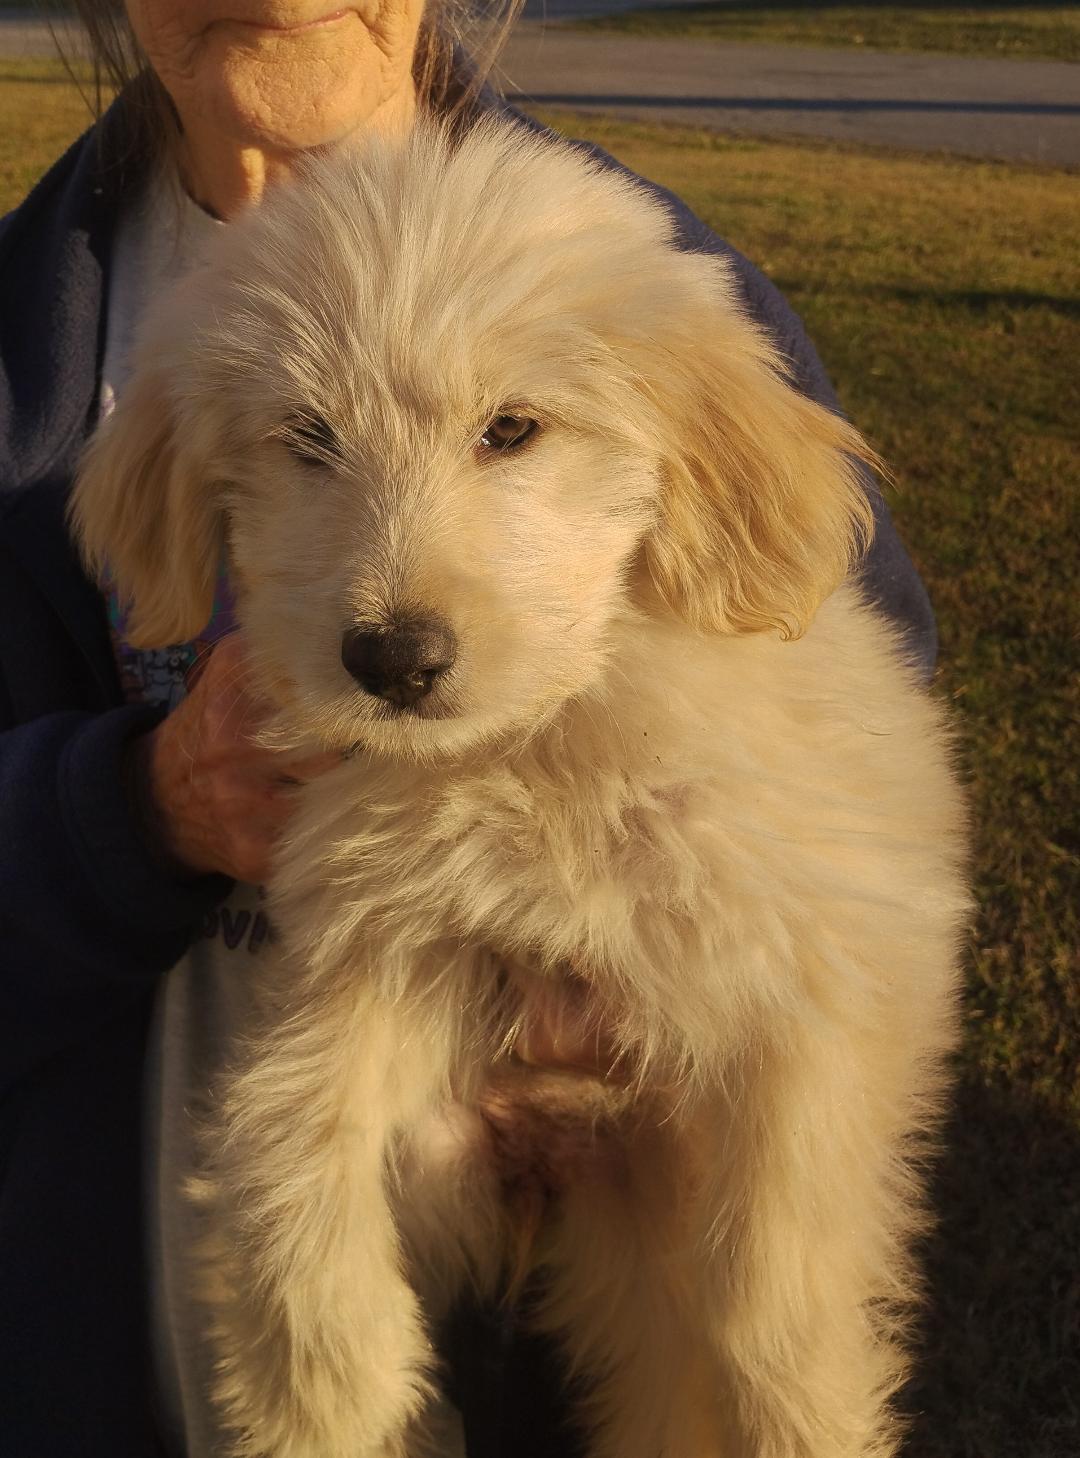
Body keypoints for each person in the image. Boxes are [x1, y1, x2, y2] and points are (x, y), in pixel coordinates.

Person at [0, 3, 937, 1454]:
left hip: (634, 1259)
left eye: (510, 433)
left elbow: (855, 756)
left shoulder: (637, 282)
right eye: (306, 444)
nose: (397, 593)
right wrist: (126, 810)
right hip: (118, 1335)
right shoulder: (81, 353)